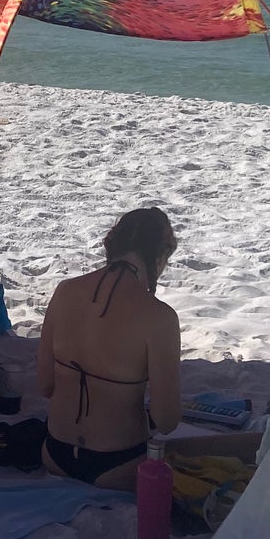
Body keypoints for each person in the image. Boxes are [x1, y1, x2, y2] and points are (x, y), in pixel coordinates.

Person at [38, 207, 182, 489]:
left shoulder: (65, 291)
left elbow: (45, 386)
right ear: (159, 257)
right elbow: (166, 421)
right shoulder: (159, 317)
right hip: (120, 464)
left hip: (55, 454)